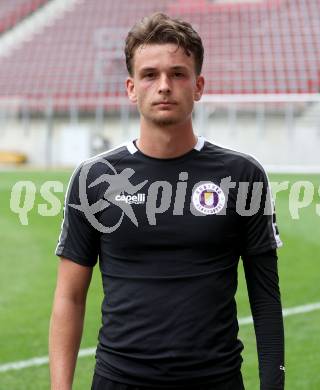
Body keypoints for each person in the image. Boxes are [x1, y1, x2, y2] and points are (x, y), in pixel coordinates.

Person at [49, 12, 285, 390]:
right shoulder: (94, 179)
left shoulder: (243, 175)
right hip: (118, 381)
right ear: (131, 88)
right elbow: (70, 297)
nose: (164, 86)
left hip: (216, 381)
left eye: (178, 73)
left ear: (198, 85)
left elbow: (266, 298)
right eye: (150, 74)